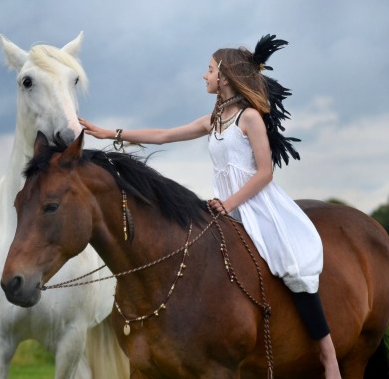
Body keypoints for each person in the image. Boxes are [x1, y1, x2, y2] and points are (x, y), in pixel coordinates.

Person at [79, 35, 342, 379]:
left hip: (257, 205)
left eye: (209, 70)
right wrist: (108, 132)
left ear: (226, 77)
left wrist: (229, 202)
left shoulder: (249, 119)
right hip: (223, 208)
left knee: (293, 266)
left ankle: (327, 356)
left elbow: (265, 173)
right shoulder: (213, 119)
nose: (204, 76)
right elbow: (163, 134)